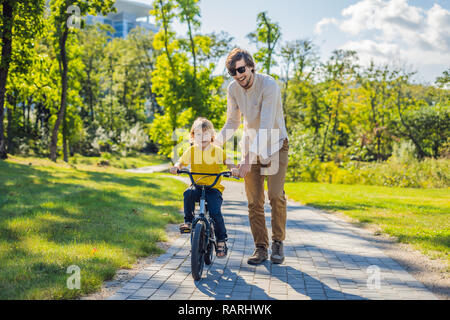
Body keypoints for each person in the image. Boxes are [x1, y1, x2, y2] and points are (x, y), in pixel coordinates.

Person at [215, 48, 289, 265]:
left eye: (241, 70)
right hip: (251, 147)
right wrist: (213, 144)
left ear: (250, 66)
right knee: (254, 201)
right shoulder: (233, 89)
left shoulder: (269, 85)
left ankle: (278, 242)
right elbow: (232, 122)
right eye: (233, 72)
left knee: (275, 195)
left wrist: (247, 160)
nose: (238, 76)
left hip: (275, 144)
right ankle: (261, 247)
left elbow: (266, 127)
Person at [170, 117, 238, 258]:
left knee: (215, 213)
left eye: (206, 134)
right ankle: (188, 221)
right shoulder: (191, 150)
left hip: (213, 188)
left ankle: (221, 239)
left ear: (212, 136)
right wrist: (177, 167)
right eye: (199, 134)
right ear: (193, 136)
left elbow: (228, 161)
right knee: (188, 193)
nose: (203, 138)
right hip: (197, 186)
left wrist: (233, 169)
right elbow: (180, 162)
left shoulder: (216, 150)